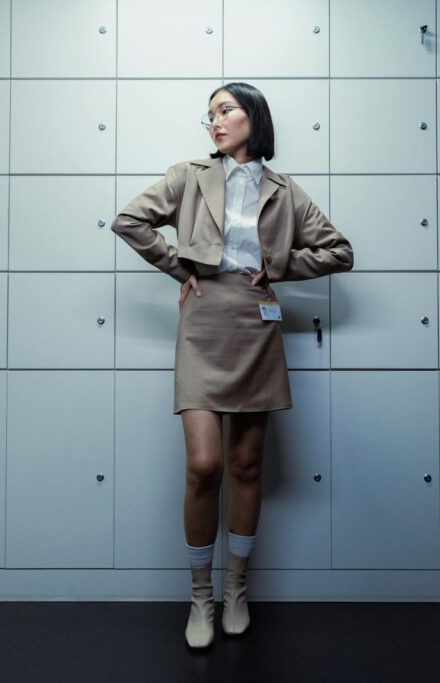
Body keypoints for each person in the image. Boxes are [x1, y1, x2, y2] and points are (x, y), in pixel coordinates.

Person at [111, 82, 354, 649]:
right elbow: (129, 221)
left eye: (226, 110)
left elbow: (339, 250)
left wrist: (275, 266)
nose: (214, 122)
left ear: (254, 117)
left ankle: (236, 591)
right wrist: (179, 268)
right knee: (204, 465)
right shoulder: (188, 174)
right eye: (210, 114)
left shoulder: (284, 189)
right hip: (203, 320)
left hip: (256, 321)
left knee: (247, 466)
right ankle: (200, 598)